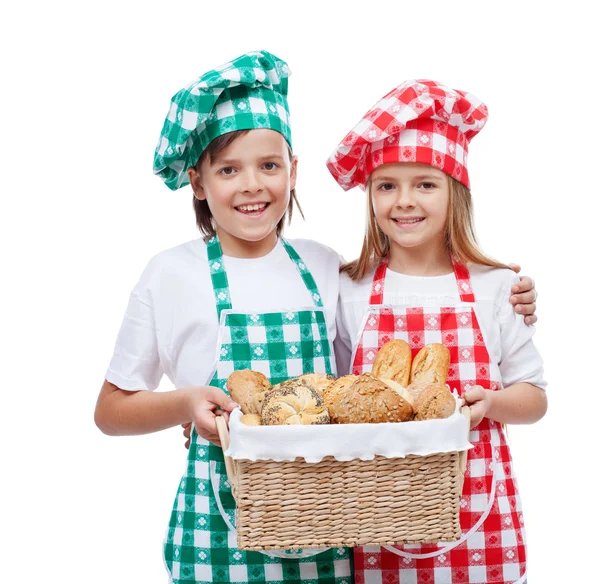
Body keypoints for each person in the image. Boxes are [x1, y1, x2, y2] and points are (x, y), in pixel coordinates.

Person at [94, 50, 353, 583]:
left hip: (325, 526)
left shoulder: (326, 266)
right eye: (229, 169)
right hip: (217, 534)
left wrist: (502, 287)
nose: (252, 185)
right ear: (197, 181)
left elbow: (373, 369)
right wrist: (186, 405)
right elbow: (110, 411)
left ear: (294, 170)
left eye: (269, 165)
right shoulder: (170, 274)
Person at [327, 79, 547, 584]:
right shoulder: (349, 288)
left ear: (456, 192)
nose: (405, 201)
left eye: (426, 183)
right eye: (387, 185)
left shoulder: (498, 287)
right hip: (377, 511)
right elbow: (335, 398)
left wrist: (491, 403)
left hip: (477, 509)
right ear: (371, 197)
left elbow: (534, 398)